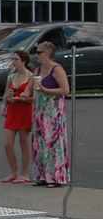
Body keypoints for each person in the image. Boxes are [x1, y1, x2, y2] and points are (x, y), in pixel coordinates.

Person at [31, 41, 70, 187]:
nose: (36, 55)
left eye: (39, 52)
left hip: (53, 113)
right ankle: (41, 175)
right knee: (39, 142)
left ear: (47, 53)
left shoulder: (57, 69)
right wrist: (24, 95)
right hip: (39, 112)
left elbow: (65, 90)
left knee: (52, 143)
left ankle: (55, 177)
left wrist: (46, 90)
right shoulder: (38, 70)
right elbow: (30, 87)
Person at [1, 50, 33, 183]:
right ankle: (14, 172)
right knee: (7, 144)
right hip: (13, 111)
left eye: (16, 59)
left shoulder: (31, 77)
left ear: (23, 61)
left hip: (24, 110)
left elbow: (34, 97)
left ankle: (25, 173)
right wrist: (8, 97)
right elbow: (5, 95)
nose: (13, 62)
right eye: (13, 59)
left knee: (24, 142)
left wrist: (21, 99)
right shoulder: (11, 77)